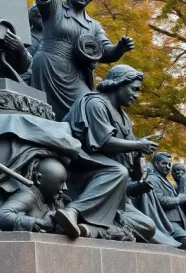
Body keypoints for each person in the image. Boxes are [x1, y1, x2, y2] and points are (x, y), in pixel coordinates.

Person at [19, 0, 134, 120]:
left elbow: (105, 53)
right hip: (49, 68)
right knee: (49, 117)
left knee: (88, 111)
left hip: (77, 76)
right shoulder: (54, 9)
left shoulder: (93, 25)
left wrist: (120, 48)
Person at [55, 65, 157, 241]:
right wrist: (137, 145)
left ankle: (90, 230)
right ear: (118, 84)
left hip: (112, 183)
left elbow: (131, 164)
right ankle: (73, 210)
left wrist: (139, 156)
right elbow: (102, 143)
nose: (136, 95)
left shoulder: (125, 117)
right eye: (134, 89)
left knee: (148, 227)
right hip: (83, 169)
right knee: (117, 170)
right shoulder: (95, 103)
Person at [0, 157, 67, 232]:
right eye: (61, 182)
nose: (65, 188)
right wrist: (37, 223)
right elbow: (0, 217)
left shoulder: (55, 199)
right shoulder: (28, 194)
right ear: (39, 179)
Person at [145, 152, 186, 251]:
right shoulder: (152, 179)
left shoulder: (165, 180)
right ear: (156, 164)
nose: (168, 167)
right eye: (164, 163)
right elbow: (161, 200)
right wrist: (179, 199)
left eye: (169, 164)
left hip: (178, 221)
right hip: (166, 221)